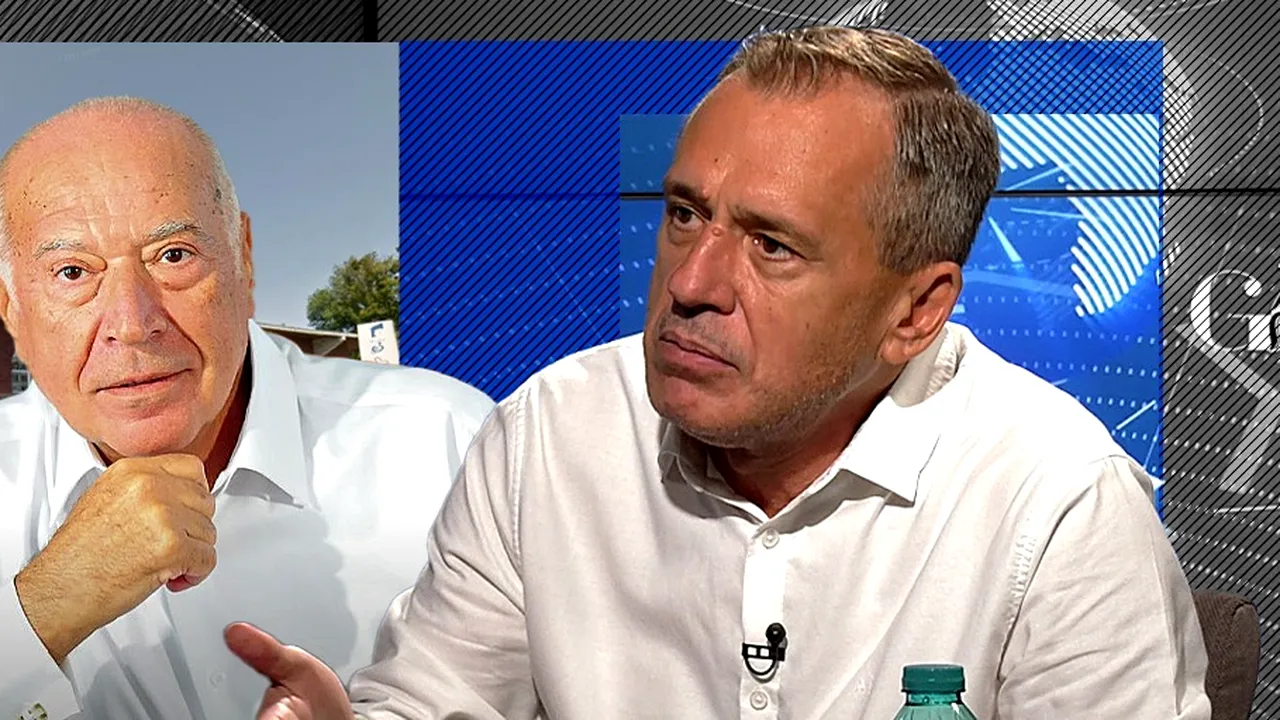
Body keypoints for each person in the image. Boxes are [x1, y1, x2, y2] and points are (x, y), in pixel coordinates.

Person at [228, 26, 1211, 720]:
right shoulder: (548, 432)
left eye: (772, 246)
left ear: (915, 310)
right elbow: (438, 701)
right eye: (684, 214)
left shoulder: (1061, 503)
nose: (690, 284)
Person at [0, 97, 495, 719]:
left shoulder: (452, 447)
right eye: (73, 272)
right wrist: (43, 609)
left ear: (245, 258)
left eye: (174, 255)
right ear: (12, 308)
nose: (132, 323)